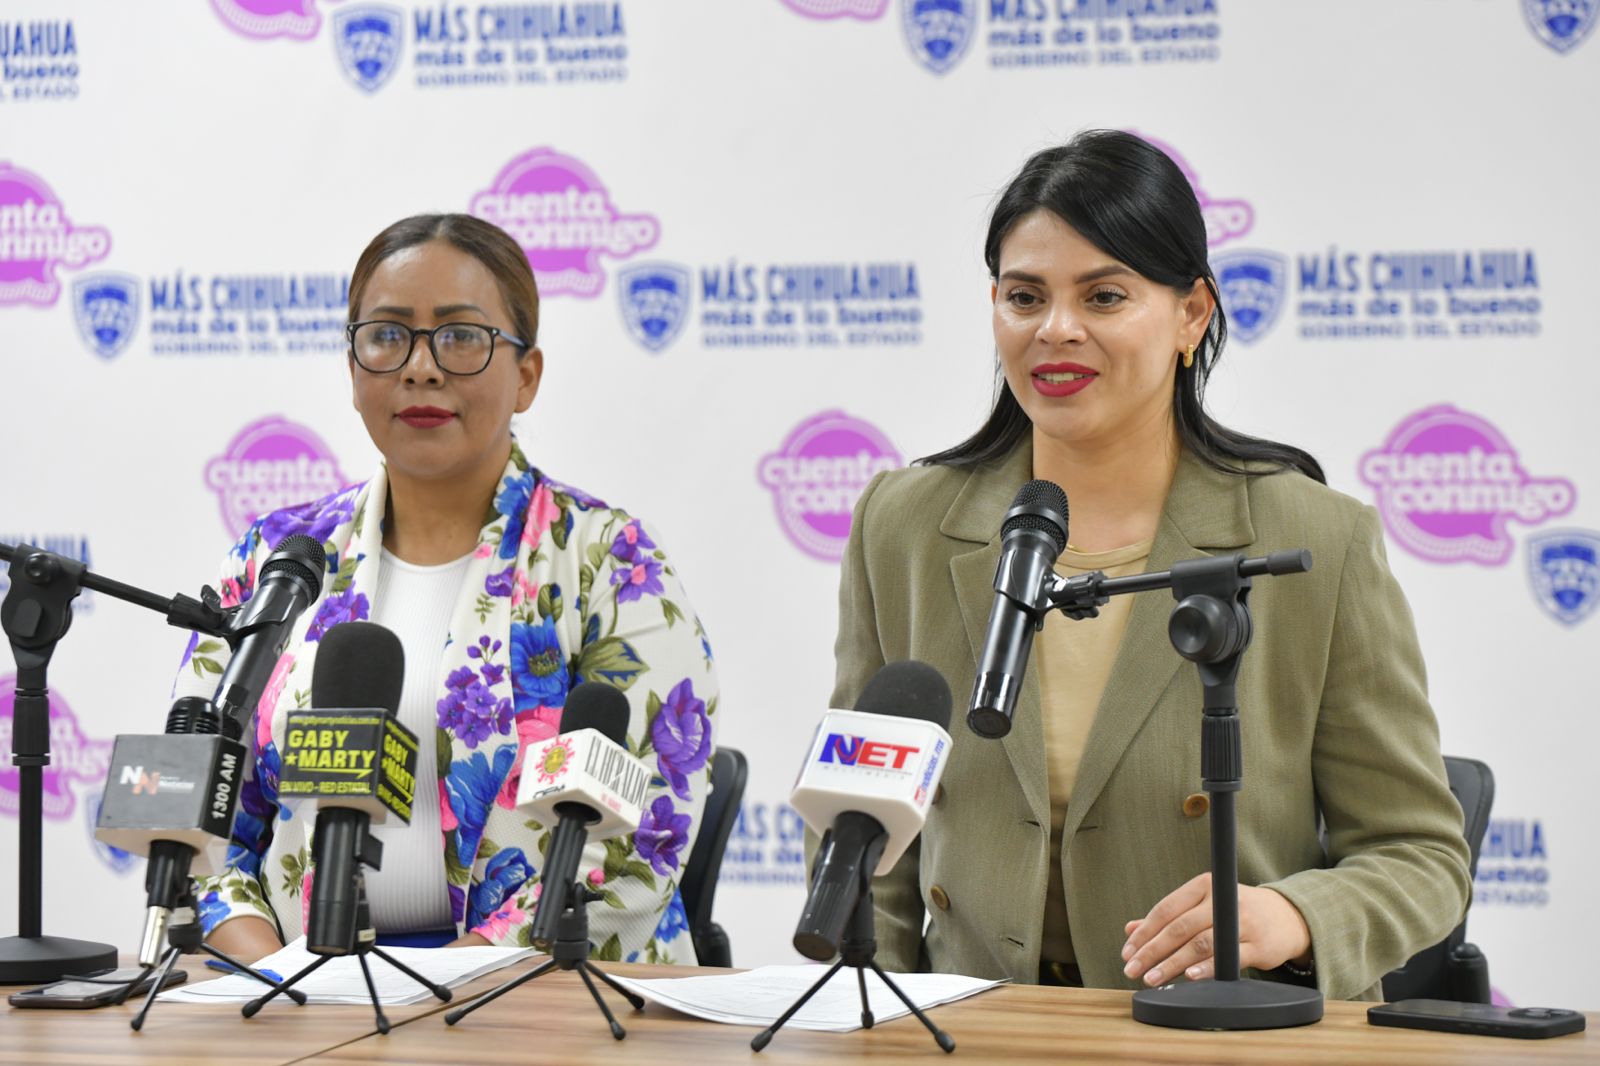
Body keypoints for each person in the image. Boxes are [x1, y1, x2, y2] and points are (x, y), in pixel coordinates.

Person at [831, 130, 1470, 1001]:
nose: (1056, 329)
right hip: (972, 1029)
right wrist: (870, 1010)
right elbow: (860, 828)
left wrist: (1293, 916)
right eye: (1025, 297)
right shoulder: (902, 527)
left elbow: (1421, 855)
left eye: (1104, 296)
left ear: (1191, 314)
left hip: (1216, 1032)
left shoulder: (1317, 538)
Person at [174, 214, 718, 964]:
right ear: (353, 366)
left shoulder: (610, 563)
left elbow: (638, 842)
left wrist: (446, 997)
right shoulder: (278, 561)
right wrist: (278, 977)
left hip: (541, 995)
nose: (421, 368)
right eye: (388, 335)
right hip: (299, 988)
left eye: (461, 337)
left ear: (526, 375)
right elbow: (198, 820)